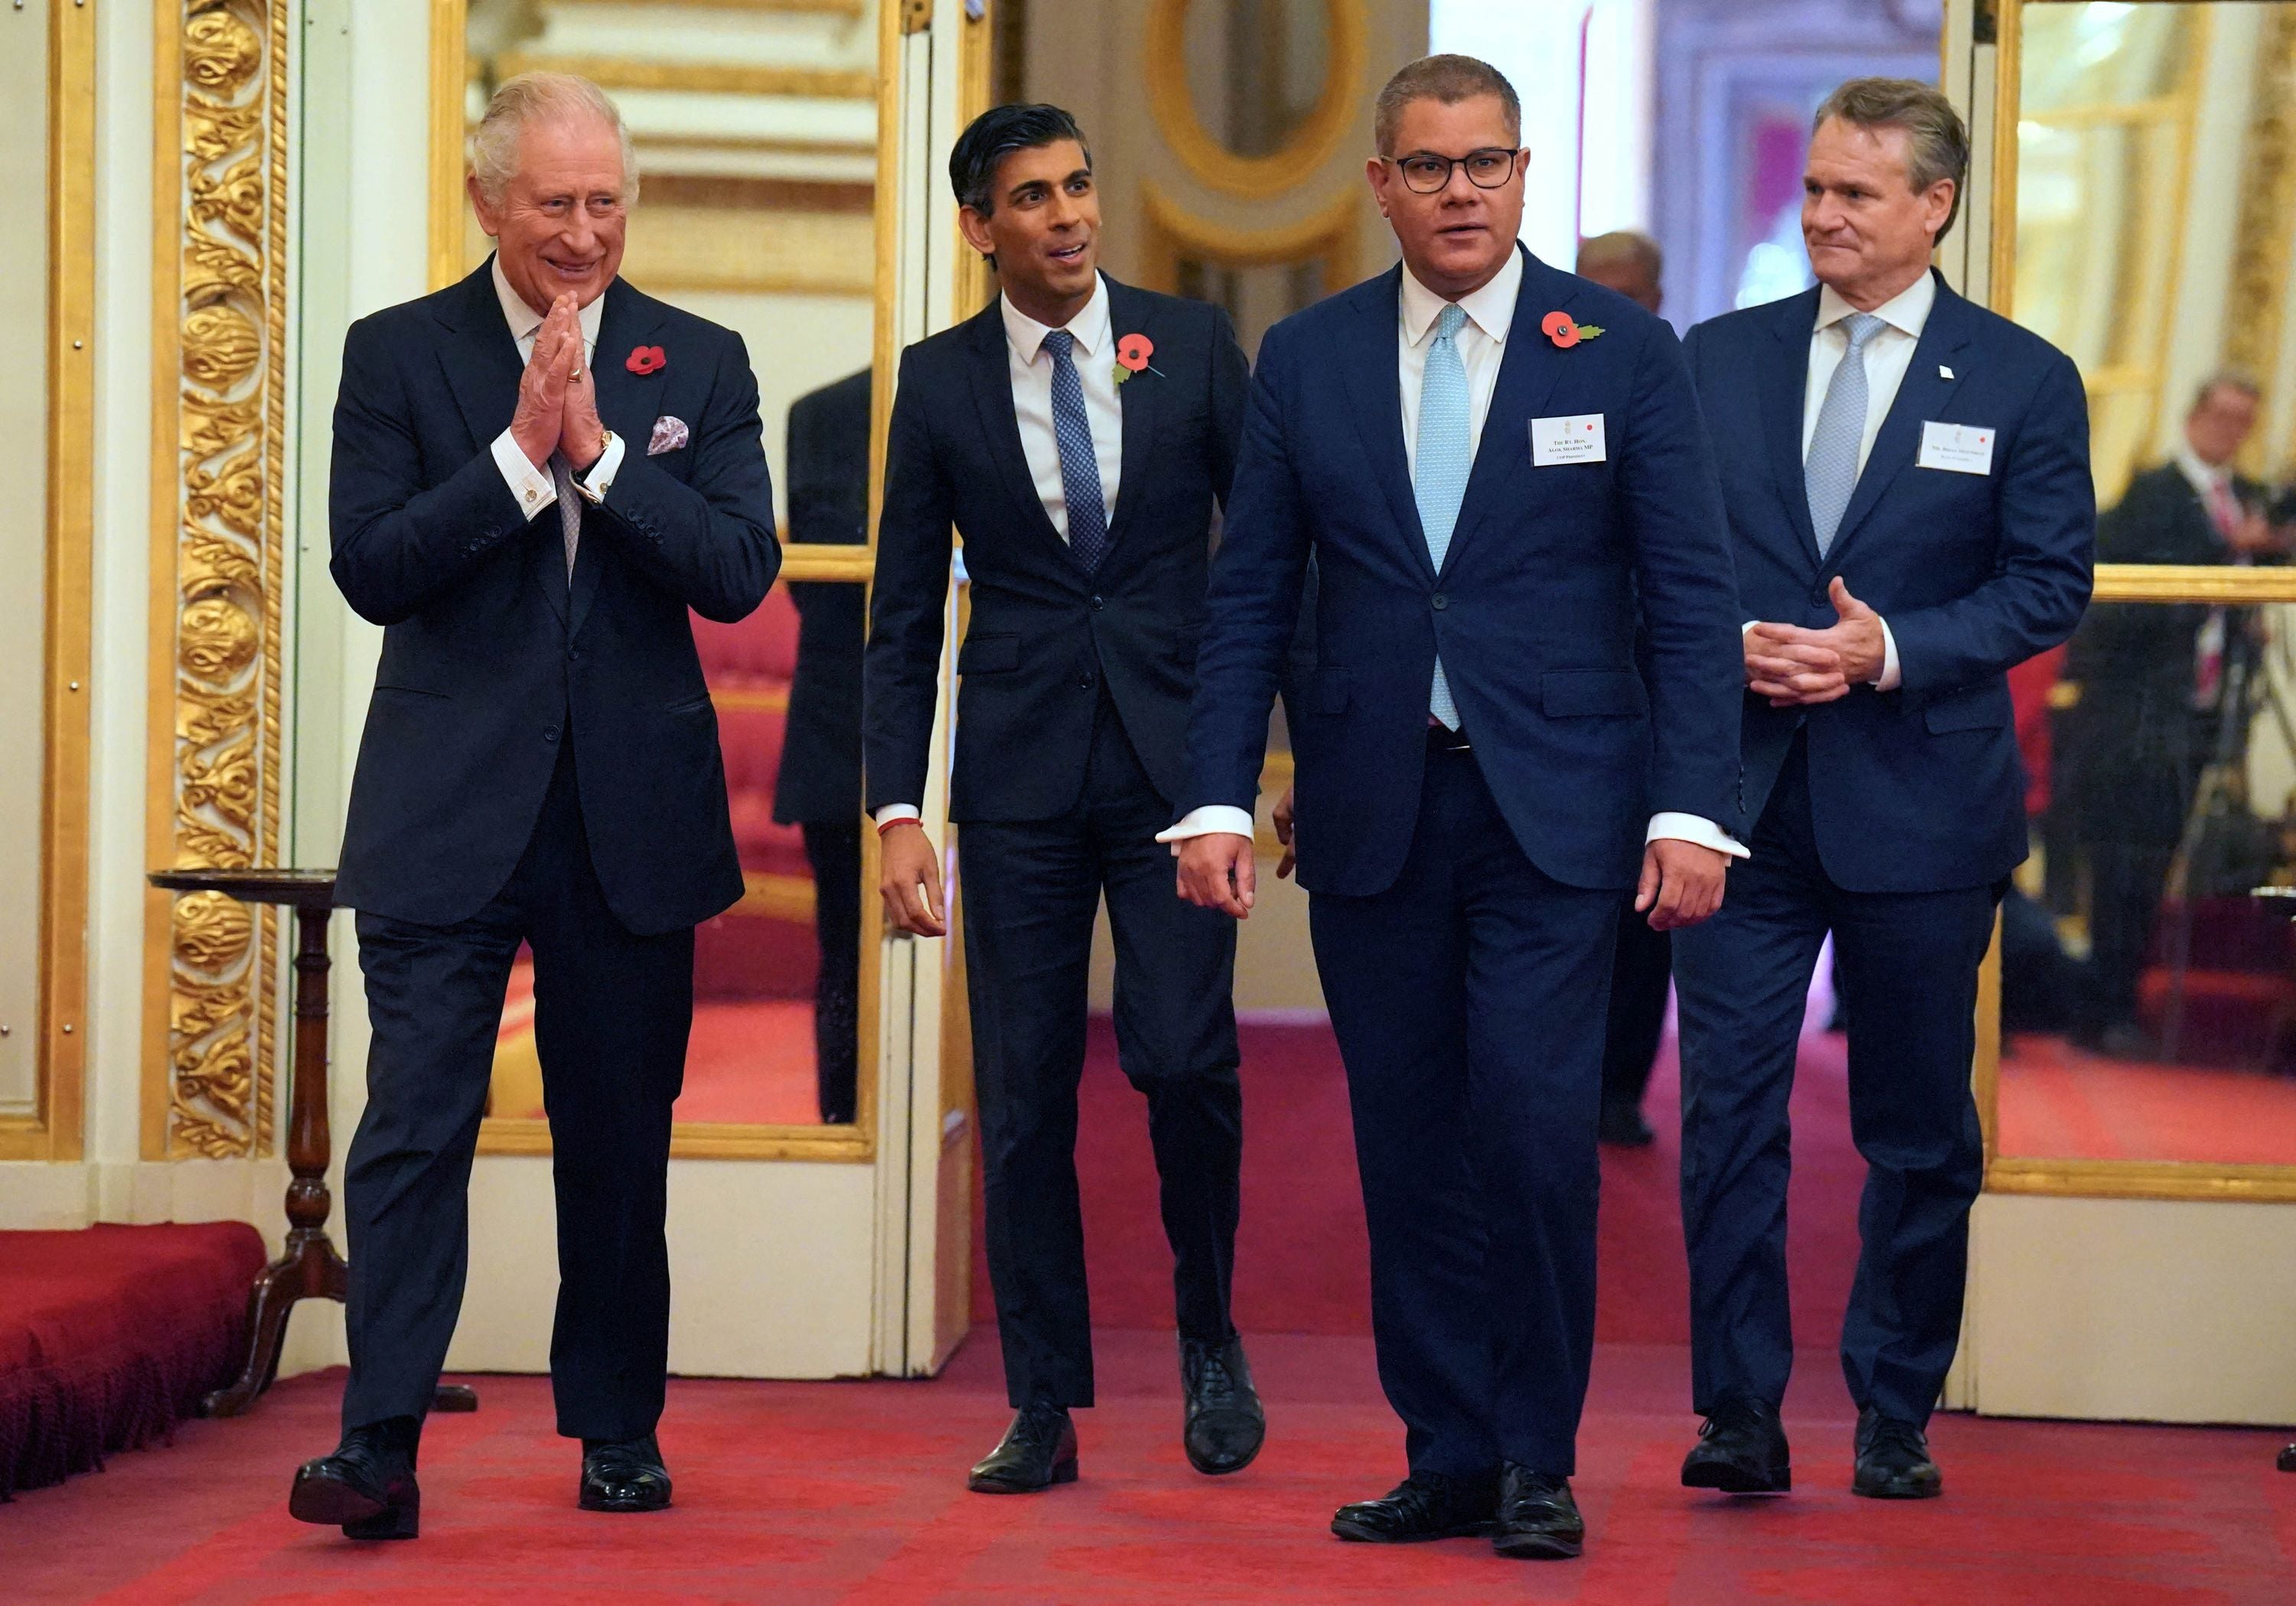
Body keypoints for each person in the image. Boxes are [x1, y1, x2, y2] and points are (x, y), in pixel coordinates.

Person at [1169, 55, 1745, 1561]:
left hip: (1560, 818)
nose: (1461, 190)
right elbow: (1251, 599)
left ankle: (1541, 1453)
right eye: (1429, 167)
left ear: (1525, 173)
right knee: (1406, 1142)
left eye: (1486, 162)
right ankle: (1450, 1449)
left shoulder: (1620, 353)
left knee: (1539, 1127)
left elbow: (1691, 598)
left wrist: (1695, 806)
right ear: (1381, 186)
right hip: (1374, 811)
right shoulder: (1307, 358)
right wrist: (1217, 793)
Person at [292, 73, 778, 1539]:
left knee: (619, 1136)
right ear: (489, 203)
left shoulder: (700, 358)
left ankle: (617, 1426)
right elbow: (371, 566)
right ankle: (379, 1443)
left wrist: (602, 457)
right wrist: (516, 457)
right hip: (447, 811)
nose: (585, 232)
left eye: (607, 201)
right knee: (414, 1124)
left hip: (629, 819)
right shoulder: (396, 355)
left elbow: (738, 567)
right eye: (556, 204)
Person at [1671, 78, 2092, 1503]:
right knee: (1727, 1107)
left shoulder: (2022, 378)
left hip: (1923, 806)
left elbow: (2050, 582)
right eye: (1814, 190)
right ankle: (1737, 1408)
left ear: (1936, 205)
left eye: (1857, 193)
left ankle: (1894, 1401)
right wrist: (1727, 641)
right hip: (1741, 797)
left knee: (1916, 1123)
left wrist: (1890, 648)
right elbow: (1659, 558)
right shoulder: (1715, 360)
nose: (1825, 214)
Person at [864, 103, 1263, 1494]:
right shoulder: (939, 380)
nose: (1068, 213)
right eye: (1033, 196)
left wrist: (1251, 771)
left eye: (1080, 185)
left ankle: (1212, 1335)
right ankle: (1044, 1398)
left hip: (1172, 775)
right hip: (1021, 781)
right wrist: (896, 810)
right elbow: (903, 613)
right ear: (981, 226)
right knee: (1026, 1096)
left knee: (1179, 1058)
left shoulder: (1193, 346)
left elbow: (1268, 564)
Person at [2061, 374, 2278, 1058]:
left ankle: (2123, 1003)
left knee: (2158, 867)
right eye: (2221, 416)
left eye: (2244, 421)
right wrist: (2228, 552)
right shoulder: (2152, 493)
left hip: (2199, 713)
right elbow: (2120, 602)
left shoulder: (2246, 498)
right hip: (2135, 719)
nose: (2230, 431)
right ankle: (2102, 1008)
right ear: (2195, 414)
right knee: (2120, 865)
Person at [1576, 228, 1671, 1147]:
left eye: (1625, 291)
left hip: (1652, 689)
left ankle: (1618, 1085)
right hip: (1556, 693)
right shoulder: (1542, 367)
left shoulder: (1674, 379)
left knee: (1643, 913)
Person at [774, 368, 871, 1122]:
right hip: (843, 729)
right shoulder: (824, 411)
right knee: (845, 953)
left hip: (841, 718)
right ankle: (842, 1136)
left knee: (844, 957)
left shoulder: (821, 413)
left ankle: (841, 1128)